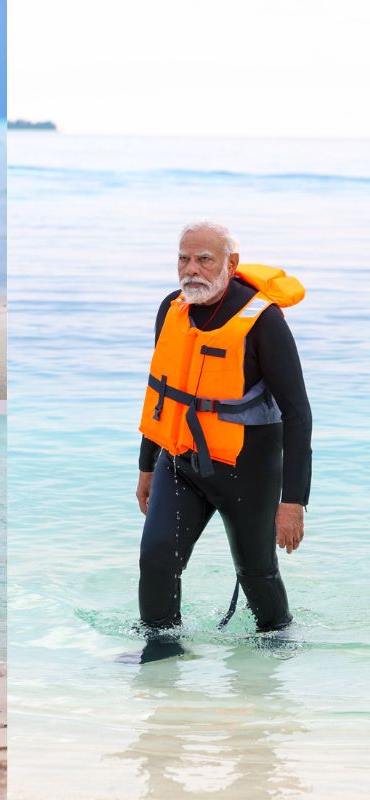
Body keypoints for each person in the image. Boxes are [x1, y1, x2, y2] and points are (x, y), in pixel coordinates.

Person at [136, 222, 311, 633]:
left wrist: (294, 501)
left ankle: (275, 654)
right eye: (183, 258)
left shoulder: (263, 322)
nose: (191, 269)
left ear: (231, 263)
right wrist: (147, 464)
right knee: (157, 559)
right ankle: (161, 652)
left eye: (203, 259)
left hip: (247, 470)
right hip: (181, 462)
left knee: (257, 574)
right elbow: (165, 392)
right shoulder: (171, 309)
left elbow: (298, 414)